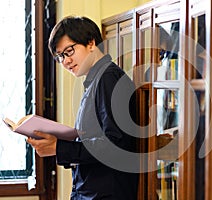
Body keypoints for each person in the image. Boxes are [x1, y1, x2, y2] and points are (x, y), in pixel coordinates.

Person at [27, 16, 139, 200]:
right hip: (91, 190)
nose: (65, 61)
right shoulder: (96, 80)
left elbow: (115, 145)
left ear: (91, 42)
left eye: (69, 51)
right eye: (60, 56)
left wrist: (60, 148)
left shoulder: (108, 79)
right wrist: (59, 143)